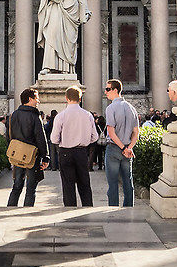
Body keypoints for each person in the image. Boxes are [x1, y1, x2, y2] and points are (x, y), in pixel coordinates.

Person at [50, 86, 99, 207]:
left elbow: (54, 138)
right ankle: (87, 208)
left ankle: (70, 209)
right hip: (82, 152)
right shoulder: (87, 115)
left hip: (65, 152)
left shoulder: (60, 116)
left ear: (66, 98)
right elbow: (95, 137)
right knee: (84, 183)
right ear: (80, 98)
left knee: (68, 185)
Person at [7, 88, 49, 208]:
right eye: (36, 98)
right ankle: (26, 212)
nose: (38, 101)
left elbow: (10, 135)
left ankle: (10, 208)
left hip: (17, 154)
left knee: (17, 185)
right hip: (31, 156)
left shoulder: (14, 114)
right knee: (31, 188)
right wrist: (45, 157)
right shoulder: (35, 116)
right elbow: (40, 137)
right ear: (30, 99)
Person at [104, 78, 139, 207]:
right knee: (128, 182)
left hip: (114, 149)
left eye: (108, 89)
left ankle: (112, 210)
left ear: (115, 90)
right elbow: (136, 133)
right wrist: (129, 148)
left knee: (112, 184)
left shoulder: (110, 108)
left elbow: (111, 133)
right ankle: (129, 209)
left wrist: (123, 147)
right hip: (127, 150)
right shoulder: (132, 108)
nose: (106, 92)